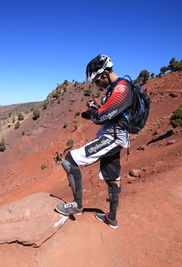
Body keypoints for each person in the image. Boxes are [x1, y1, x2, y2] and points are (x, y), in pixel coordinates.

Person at [55, 55, 133, 229]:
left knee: (69, 161)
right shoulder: (115, 88)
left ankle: (77, 205)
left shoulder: (121, 87)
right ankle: (111, 218)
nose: (96, 84)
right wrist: (95, 107)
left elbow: (102, 116)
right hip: (115, 136)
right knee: (112, 177)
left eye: (97, 80)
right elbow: (110, 113)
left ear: (105, 72)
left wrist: (91, 113)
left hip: (112, 137)